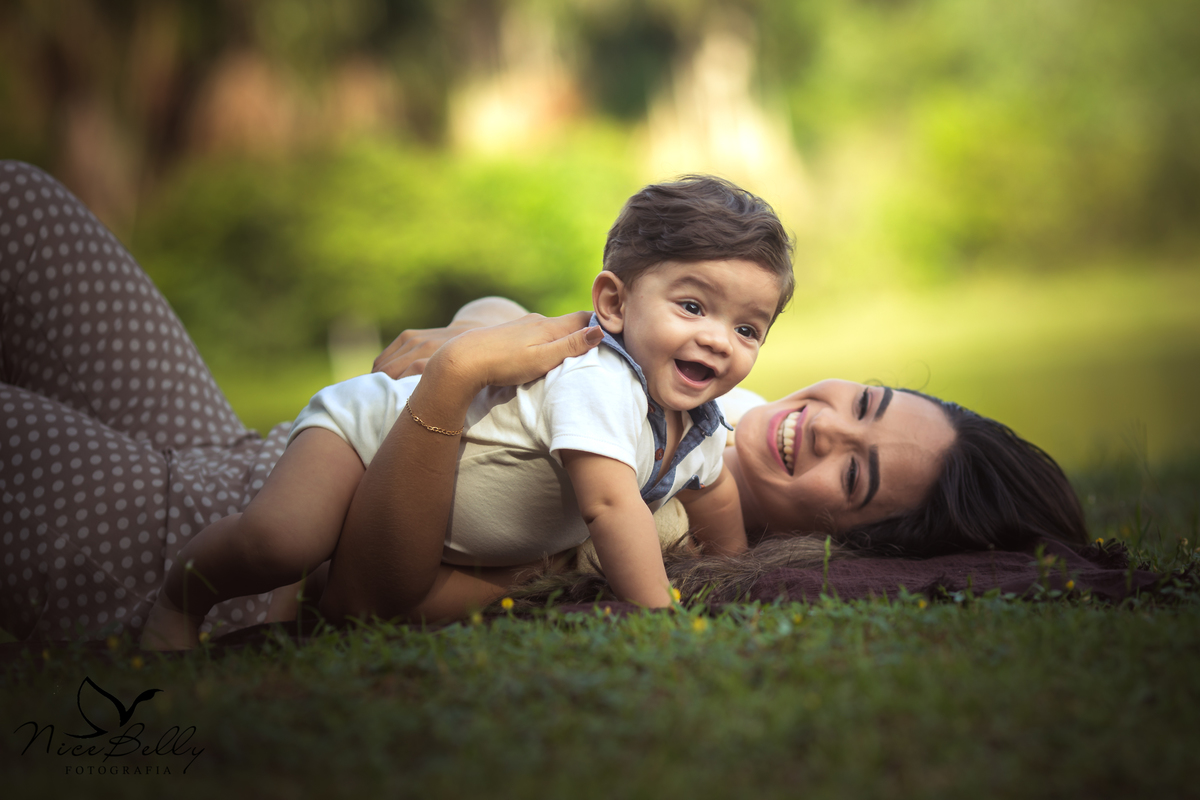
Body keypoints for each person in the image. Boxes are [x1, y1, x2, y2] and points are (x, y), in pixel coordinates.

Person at [0, 161, 1088, 644]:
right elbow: (411, 350)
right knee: (27, 206)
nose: (819, 423)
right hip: (243, 449)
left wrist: (464, 370)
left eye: (853, 471)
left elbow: (359, 600)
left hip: (183, 540)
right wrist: (487, 337)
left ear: (856, 540)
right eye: (862, 400)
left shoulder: (638, 530)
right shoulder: (654, 395)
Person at [141, 176, 794, 648]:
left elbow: (715, 493)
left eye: (748, 329)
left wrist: (732, 573)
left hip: (421, 522)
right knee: (279, 542)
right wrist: (658, 618)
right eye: (693, 306)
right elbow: (610, 505)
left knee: (309, 580)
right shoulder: (601, 384)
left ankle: (289, 607)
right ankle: (180, 597)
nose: (718, 339)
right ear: (615, 305)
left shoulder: (703, 423)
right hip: (371, 432)